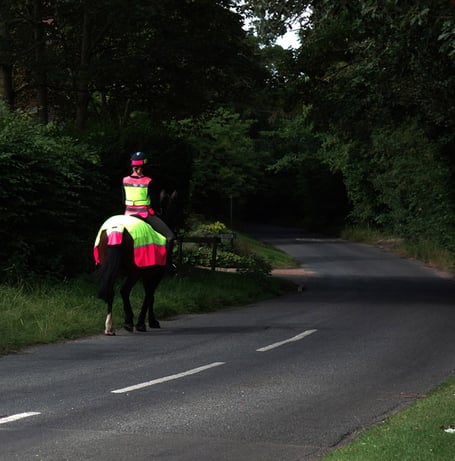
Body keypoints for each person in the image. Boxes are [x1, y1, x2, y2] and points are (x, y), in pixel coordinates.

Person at [123, 151, 176, 268]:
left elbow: (123, 199)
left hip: (127, 214)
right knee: (170, 237)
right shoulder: (148, 181)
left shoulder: (124, 180)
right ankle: (168, 266)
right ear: (144, 167)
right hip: (144, 214)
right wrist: (157, 211)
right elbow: (155, 203)